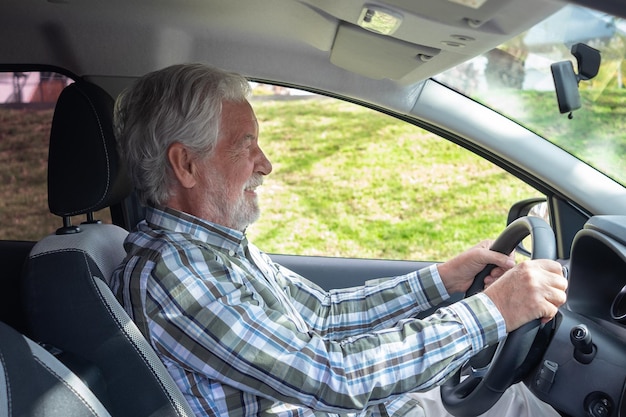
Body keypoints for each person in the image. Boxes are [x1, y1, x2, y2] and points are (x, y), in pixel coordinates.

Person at [110, 63, 568, 417]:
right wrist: (493, 310)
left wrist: (443, 280)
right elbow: (335, 376)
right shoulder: (174, 274)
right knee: (520, 406)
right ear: (186, 165)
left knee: (510, 400)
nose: (265, 164)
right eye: (245, 145)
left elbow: (323, 315)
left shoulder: (214, 250)